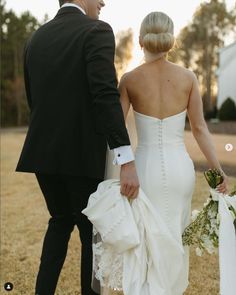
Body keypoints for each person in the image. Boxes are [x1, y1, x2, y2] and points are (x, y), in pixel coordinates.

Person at [15, 0, 139, 294]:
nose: (102, 2)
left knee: (59, 222)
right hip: (82, 154)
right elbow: (105, 94)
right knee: (89, 232)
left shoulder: (36, 37)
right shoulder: (96, 30)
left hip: (42, 153)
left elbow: (35, 99)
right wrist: (125, 158)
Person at [118, 11, 229, 294]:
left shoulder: (129, 80)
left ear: (141, 40)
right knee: (176, 239)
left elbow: (117, 130)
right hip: (181, 172)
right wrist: (218, 174)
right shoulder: (188, 77)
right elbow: (201, 129)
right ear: (171, 40)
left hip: (144, 169)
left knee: (145, 242)